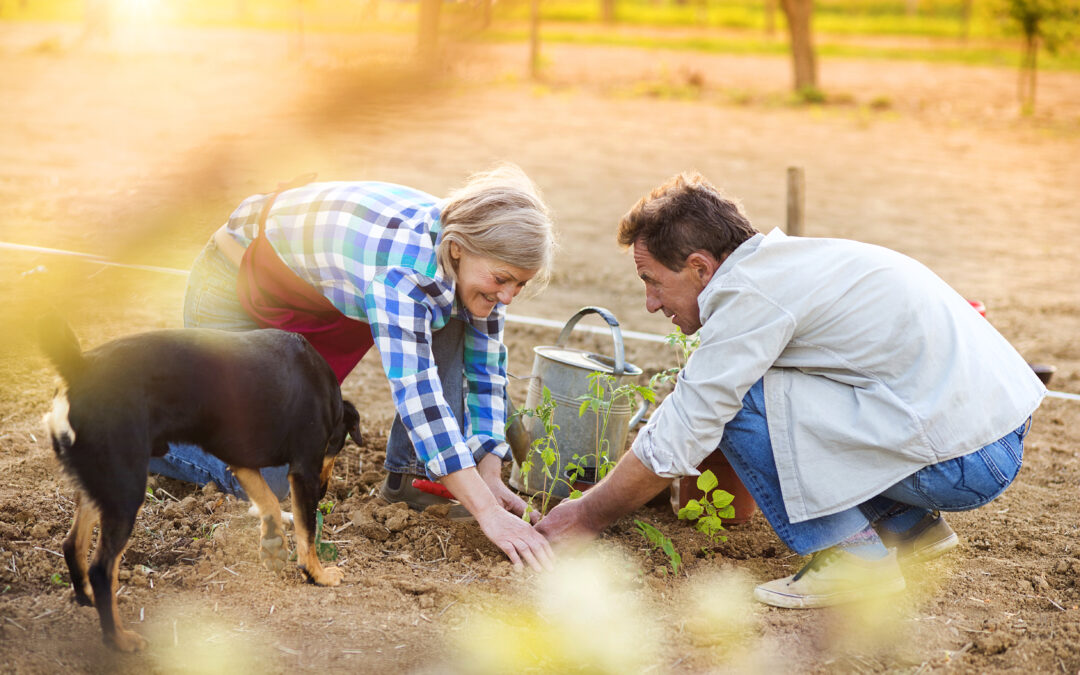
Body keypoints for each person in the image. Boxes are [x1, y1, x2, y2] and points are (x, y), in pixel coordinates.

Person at [536, 172, 1045, 607]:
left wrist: (585, 514)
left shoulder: (747, 294)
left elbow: (692, 422)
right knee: (761, 390)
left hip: (966, 461)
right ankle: (909, 527)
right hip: (988, 436)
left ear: (699, 267)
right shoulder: (785, 266)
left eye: (651, 280)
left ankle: (851, 559)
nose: (650, 304)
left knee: (738, 401)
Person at [150, 164, 556, 571]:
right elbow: (418, 395)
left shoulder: (470, 258)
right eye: (503, 279)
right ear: (457, 248)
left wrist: (488, 473)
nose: (507, 297)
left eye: (519, 285)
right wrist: (487, 512)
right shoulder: (405, 274)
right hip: (235, 290)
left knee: (459, 309)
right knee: (270, 470)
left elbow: (486, 371)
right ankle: (135, 428)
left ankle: (415, 480)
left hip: (314, 299)